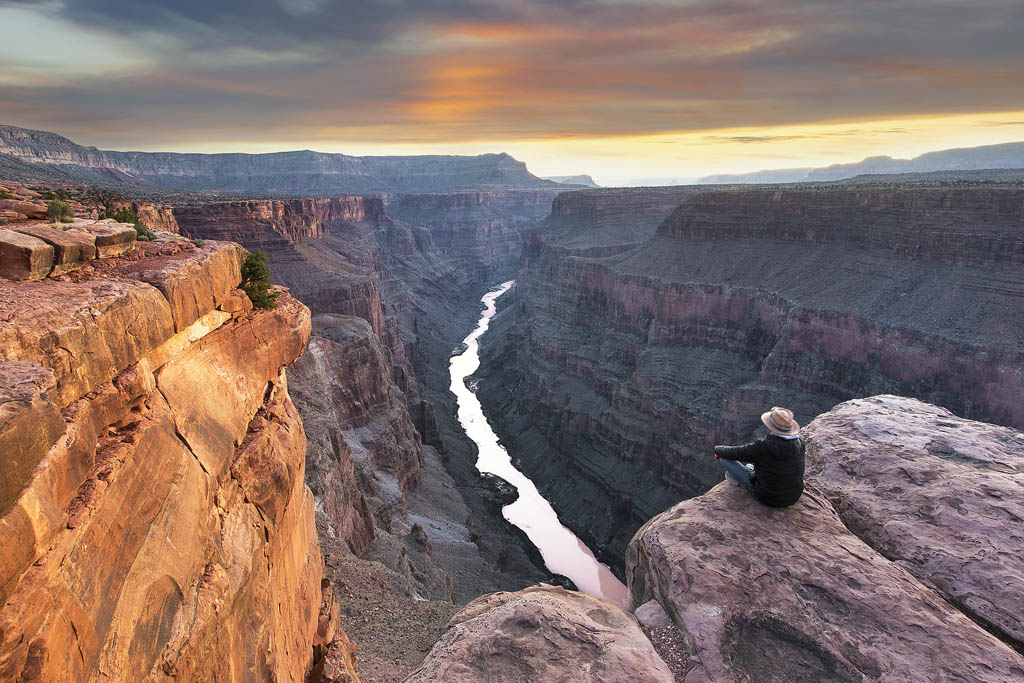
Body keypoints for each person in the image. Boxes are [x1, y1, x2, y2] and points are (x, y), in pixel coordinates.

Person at [714, 406, 805, 507]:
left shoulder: (763, 447)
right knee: (751, 466)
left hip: (767, 497)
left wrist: (717, 450)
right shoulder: (800, 442)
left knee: (724, 458)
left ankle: (742, 480)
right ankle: (749, 472)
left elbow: (735, 453)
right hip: (793, 497)